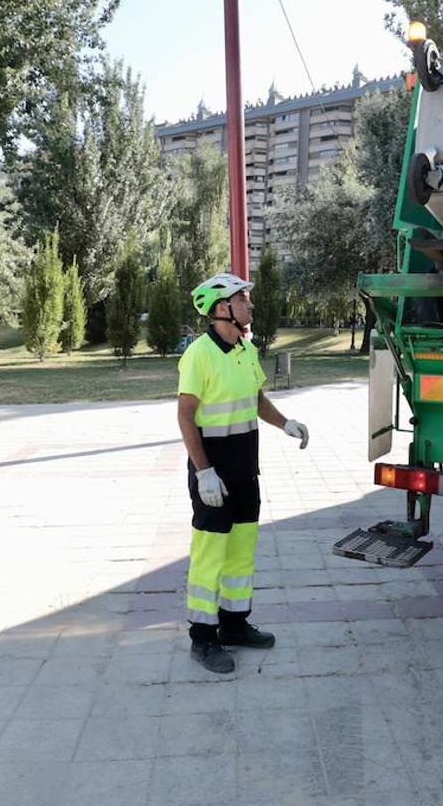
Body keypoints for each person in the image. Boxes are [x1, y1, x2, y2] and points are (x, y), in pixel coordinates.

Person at [177, 273, 309, 673]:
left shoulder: (245, 349)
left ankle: (234, 626)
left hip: (244, 472)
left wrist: (285, 423)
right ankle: (203, 638)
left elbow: (255, 398)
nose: (250, 306)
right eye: (243, 299)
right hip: (212, 474)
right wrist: (204, 473)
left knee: (239, 553)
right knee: (209, 556)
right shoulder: (199, 354)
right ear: (222, 308)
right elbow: (185, 416)